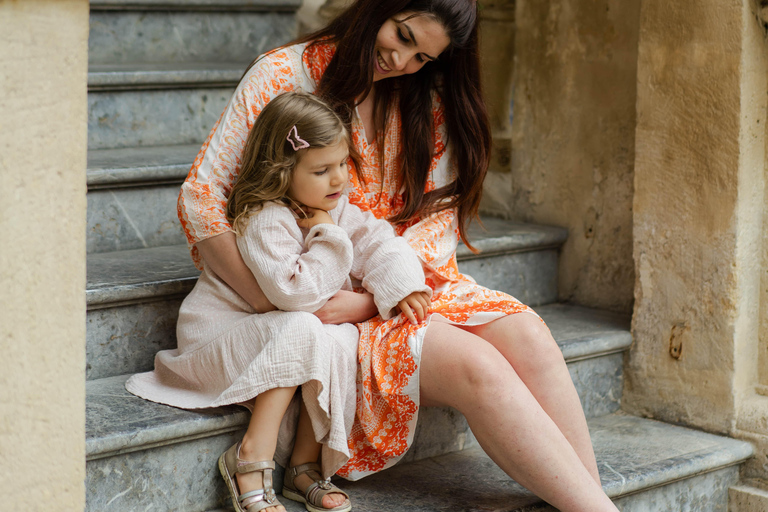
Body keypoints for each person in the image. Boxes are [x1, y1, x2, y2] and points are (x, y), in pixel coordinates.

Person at [160, 1, 620, 511]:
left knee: (529, 333)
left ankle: (591, 501)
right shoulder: (283, 76)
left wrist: (373, 301)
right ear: (377, 7)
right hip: (305, 296)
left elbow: (434, 228)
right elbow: (202, 199)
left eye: (422, 57)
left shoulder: (424, 104)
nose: (401, 62)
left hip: (396, 285)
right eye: (401, 36)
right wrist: (279, 305)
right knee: (479, 366)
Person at [127, 91, 432, 512]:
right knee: (304, 326)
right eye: (322, 170)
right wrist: (327, 235)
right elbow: (294, 294)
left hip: (270, 334)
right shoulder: (263, 218)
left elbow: (380, 240)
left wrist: (402, 285)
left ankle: (302, 467)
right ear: (282, 171)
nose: (340, 180)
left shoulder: (331, 206)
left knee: (342, 339)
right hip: (218, 339)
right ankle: (250, 456)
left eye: (343, 164)